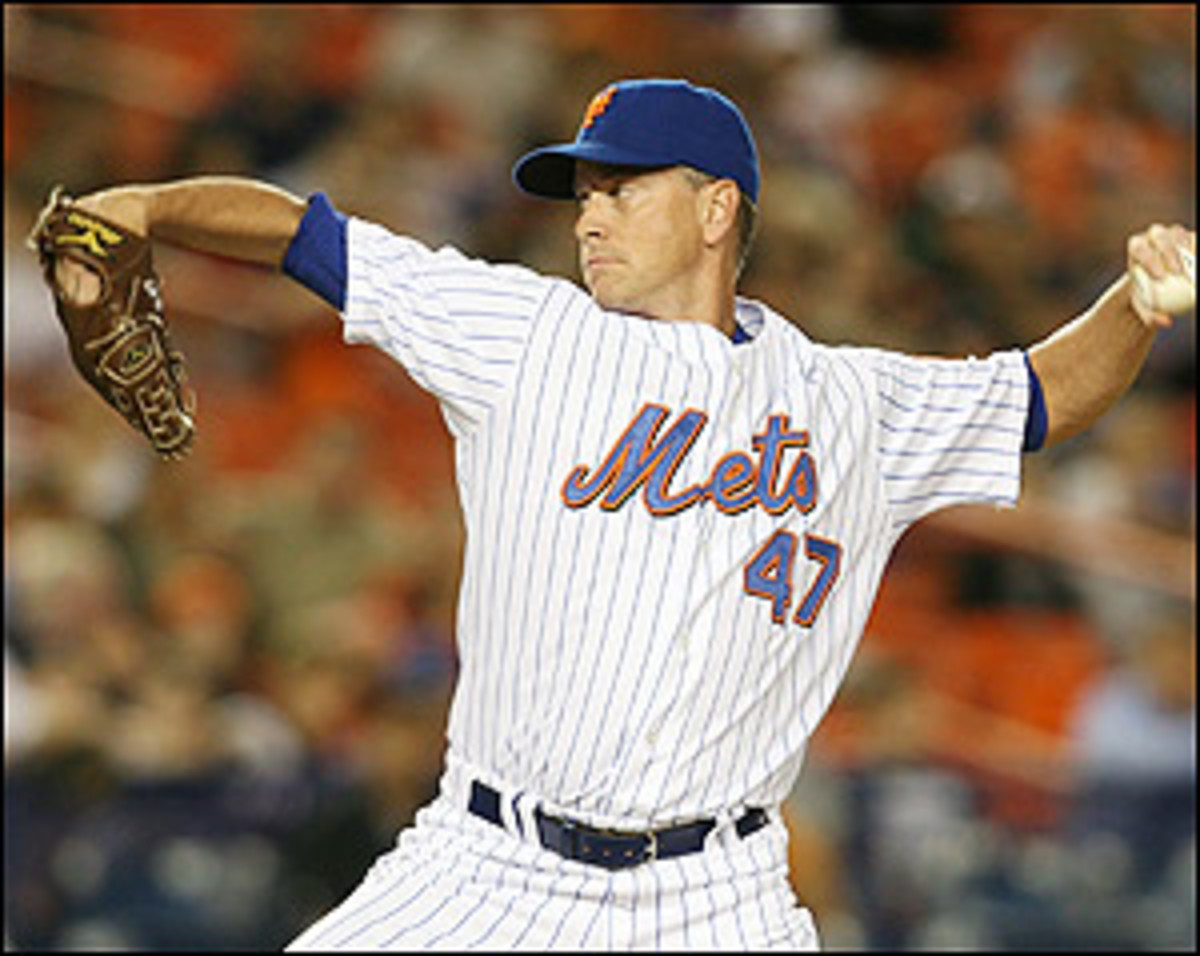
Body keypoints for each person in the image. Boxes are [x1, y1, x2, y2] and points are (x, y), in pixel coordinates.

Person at [53, 78, 1194, 951]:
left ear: (716, 208)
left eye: (621, 188)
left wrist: (1134, 308)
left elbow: (1040, 394)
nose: (588, 218)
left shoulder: (852, 404)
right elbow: (308, 235)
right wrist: (148, 205)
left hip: (714, 894)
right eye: (583, 195)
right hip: (487, 865)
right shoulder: (522, 334)